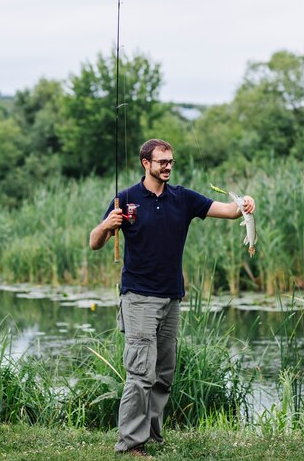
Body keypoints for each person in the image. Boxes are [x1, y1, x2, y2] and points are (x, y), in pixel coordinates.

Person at [89, 139, 255, 456]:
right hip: (138, 298)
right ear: (145, 163)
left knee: (163, 373)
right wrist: (107, 224)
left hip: (171, 298)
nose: (167, 166)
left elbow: (231, 212)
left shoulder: (183, 198)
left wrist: (245, 203)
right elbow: (94, 242)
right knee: (140, 372)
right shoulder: (125, 199)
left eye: (170, 161)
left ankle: (151, 435)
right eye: (161, 161)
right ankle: (130, 444)